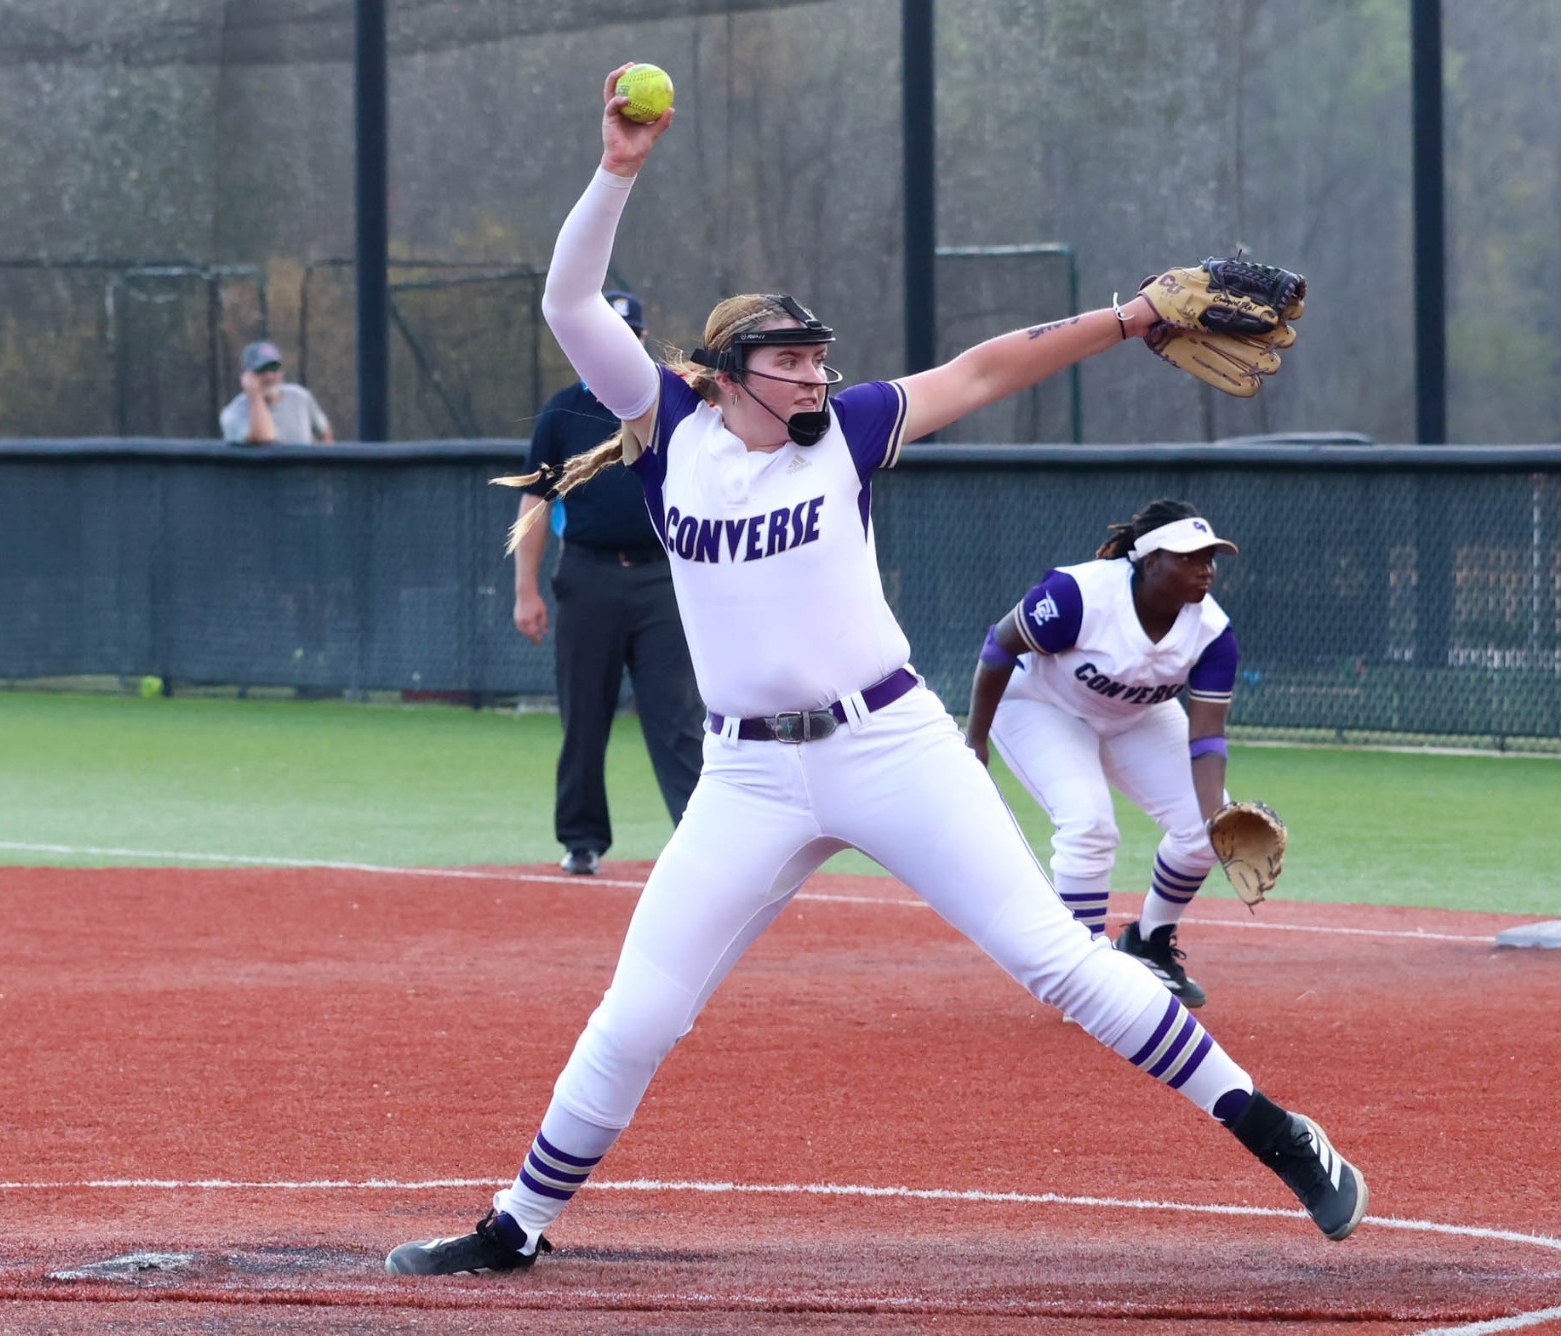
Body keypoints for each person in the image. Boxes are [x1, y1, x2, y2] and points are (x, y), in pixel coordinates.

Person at [385, 63, 1367, 1278]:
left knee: (1056, 962)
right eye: (789, 360)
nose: (814, 373)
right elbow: (569, 300)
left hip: (887, 742)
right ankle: (515, 1223)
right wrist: (617, 170)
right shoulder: (669, 434)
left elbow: (984, 368)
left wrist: (1125, 318)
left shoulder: (842, 435)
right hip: (747, 776)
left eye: (818, 356)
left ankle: (1277, 1133)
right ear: (727, 373)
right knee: (640, 1009)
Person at [963, 499, 1244, 1010]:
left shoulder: (1211, 633)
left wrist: (1215, 821)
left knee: (1204, 831)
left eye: (1209, 557)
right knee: (1089, 824)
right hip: (1040, 705)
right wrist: (976, 740)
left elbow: (1207, 740)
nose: (1205, 568)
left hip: (1134, 716)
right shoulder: (1080, 595)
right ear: (1150, 562)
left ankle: (1148, 944)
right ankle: (1083, 974)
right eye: (1188, 557)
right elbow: (999, 647)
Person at [513, 289, 703, 875]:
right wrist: (525, 590)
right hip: (588, 575)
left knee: (678, 717)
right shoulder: (562, 411)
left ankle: (704, 839)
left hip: (661, 577)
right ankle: (582, 840)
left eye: (625, 335)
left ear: (639, 341)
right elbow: (535, 502)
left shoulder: (674, 404)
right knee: (584, 715)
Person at [219, 340, 334, 445]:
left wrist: (323, 459)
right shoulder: (233, 413)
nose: (270, 376)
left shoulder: (300, 397)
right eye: (262, 370)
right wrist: (255, 395)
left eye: (274, 368)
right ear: (248, 376)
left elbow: (324, 430)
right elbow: (264, 438)